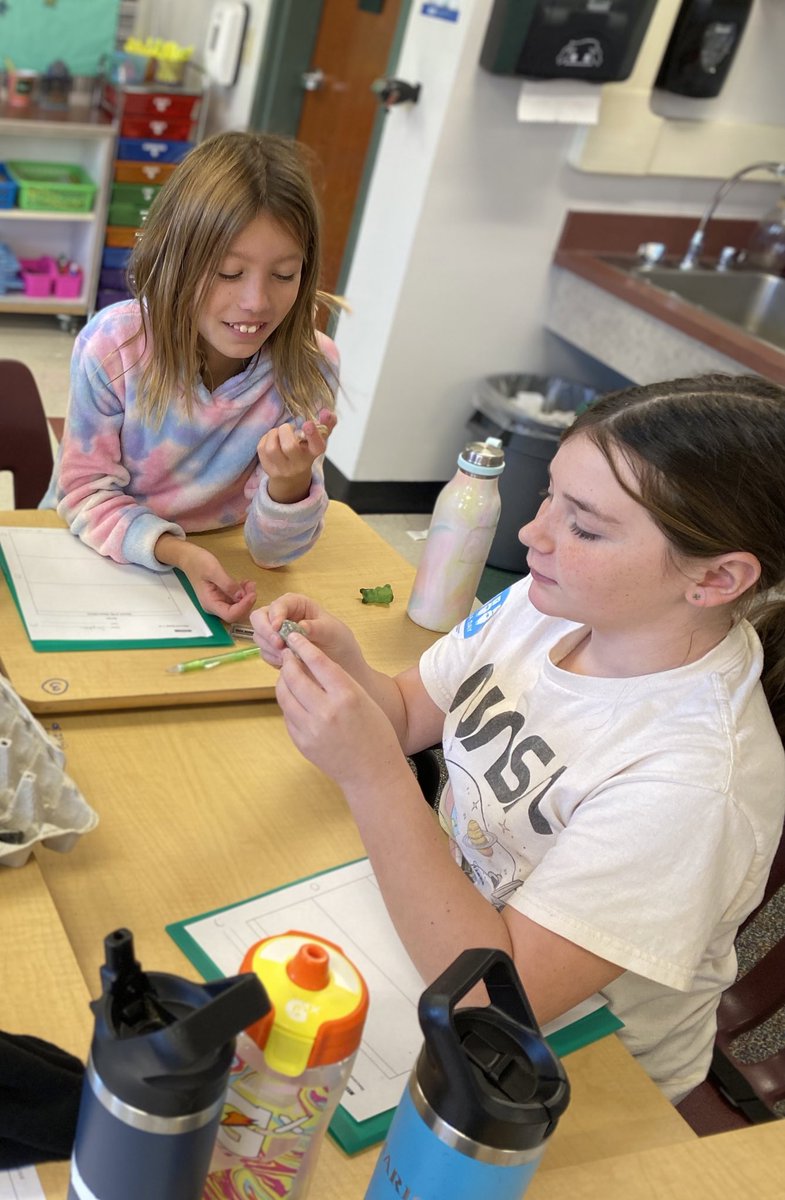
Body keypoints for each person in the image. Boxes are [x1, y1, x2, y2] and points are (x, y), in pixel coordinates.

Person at [251, 373, 785, 1105]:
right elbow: (408, 713)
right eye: (549, 498)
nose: (532, 534)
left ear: (716, 578)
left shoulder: (694, 782)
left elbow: (494, 1000)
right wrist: (343, 663)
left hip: (575, 1063)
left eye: (584, 526)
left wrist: (373, 777)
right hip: (448, 927)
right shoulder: (553, 604)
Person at [41, 131, 339, 622]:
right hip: (102, 557)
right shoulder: (114, 347)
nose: (256, 302)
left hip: (227, 566)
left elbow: (274, 556)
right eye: (227, 272)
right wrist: (178, 554)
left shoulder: (310, 364)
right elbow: (84, 495)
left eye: (284, 275)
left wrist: (290, 483)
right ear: (174, 259)